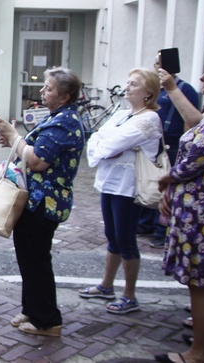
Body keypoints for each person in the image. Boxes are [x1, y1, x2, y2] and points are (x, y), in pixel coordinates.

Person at [0, 67, 85, 337]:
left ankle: (48, 321)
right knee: (28, 258)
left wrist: (14, 137)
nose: (43, 91)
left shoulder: (65, 121)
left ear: (65, 96)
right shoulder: (57, 117)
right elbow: (32, 149)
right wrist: (15, 141)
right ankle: (31, 309)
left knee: (37, 260)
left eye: (49, 88)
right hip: (33, 201)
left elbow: (37, 160)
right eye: (44, 87)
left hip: (45, 203)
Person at [80, 68, 162, 316]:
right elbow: (96, 136)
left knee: (126, 239)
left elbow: (110, 144)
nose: (127, 87)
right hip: (110, 183)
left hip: (128, 187)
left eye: (134, 84)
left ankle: (129, 295)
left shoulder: (149, 119)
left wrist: (106, 146)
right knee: (112, 236)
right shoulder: (123, 113)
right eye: (127, 82)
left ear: (148, 92)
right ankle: (106, 285)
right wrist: (104, 145)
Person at [153, 65, 204, 363]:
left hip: (201, 217)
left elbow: (197, 155)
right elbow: (195, 121)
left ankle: (198, 353)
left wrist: (168, 178)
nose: (202, 79)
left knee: (200, 282)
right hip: (194, 210)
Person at [139, 53, 199, 248]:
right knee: (149, 178)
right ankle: (145, 222)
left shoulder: (184, 89)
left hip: (171, 142)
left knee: (165, 184)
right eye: (155, 63)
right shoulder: (156, 88)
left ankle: (160, 229)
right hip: (153, 140)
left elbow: (191, 120)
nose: (157, 66)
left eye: (160, 63)